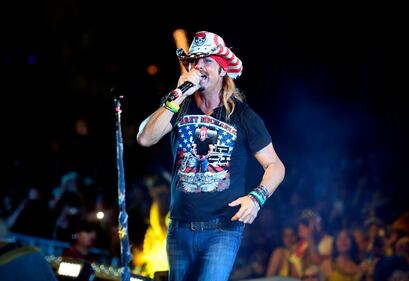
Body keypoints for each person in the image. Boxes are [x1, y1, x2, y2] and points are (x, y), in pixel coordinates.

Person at [137, 30, 285, 281]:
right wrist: (179, 93)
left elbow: (276, 166)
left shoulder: (242, 116)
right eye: (195, 60)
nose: (199, 66)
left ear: (222, 70)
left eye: (207, 61)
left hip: (223, 229)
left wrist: (256, 198)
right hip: (179, 226)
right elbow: (145, 138)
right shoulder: (179, 104)